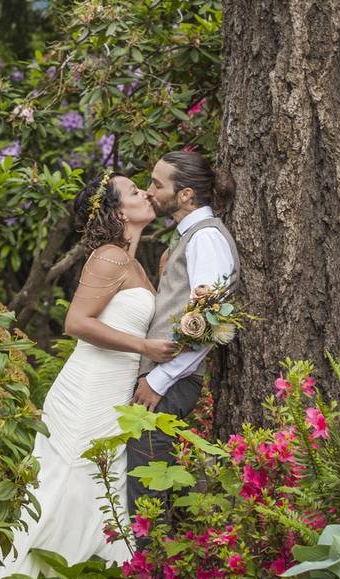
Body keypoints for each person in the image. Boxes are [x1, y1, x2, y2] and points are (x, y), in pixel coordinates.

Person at [0, 171, 177, 579]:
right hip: (87, 390)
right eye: (134, 191)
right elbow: (75, 322)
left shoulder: (135, 261)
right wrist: (145, 350)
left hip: (114, 393)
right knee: (62, 492)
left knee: (105, 492)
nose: (145, 192)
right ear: (119, 211)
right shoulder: (108, 256)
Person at [127, 150, 239, 518]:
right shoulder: (191, 236)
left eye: (157, 185)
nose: (150, 191)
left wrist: (159, 380)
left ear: (186, 195)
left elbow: (208, 321)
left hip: (173, 381)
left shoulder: (205, 238)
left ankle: (150, 568)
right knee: (146, 479)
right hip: (167, 378)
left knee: (147, 487)